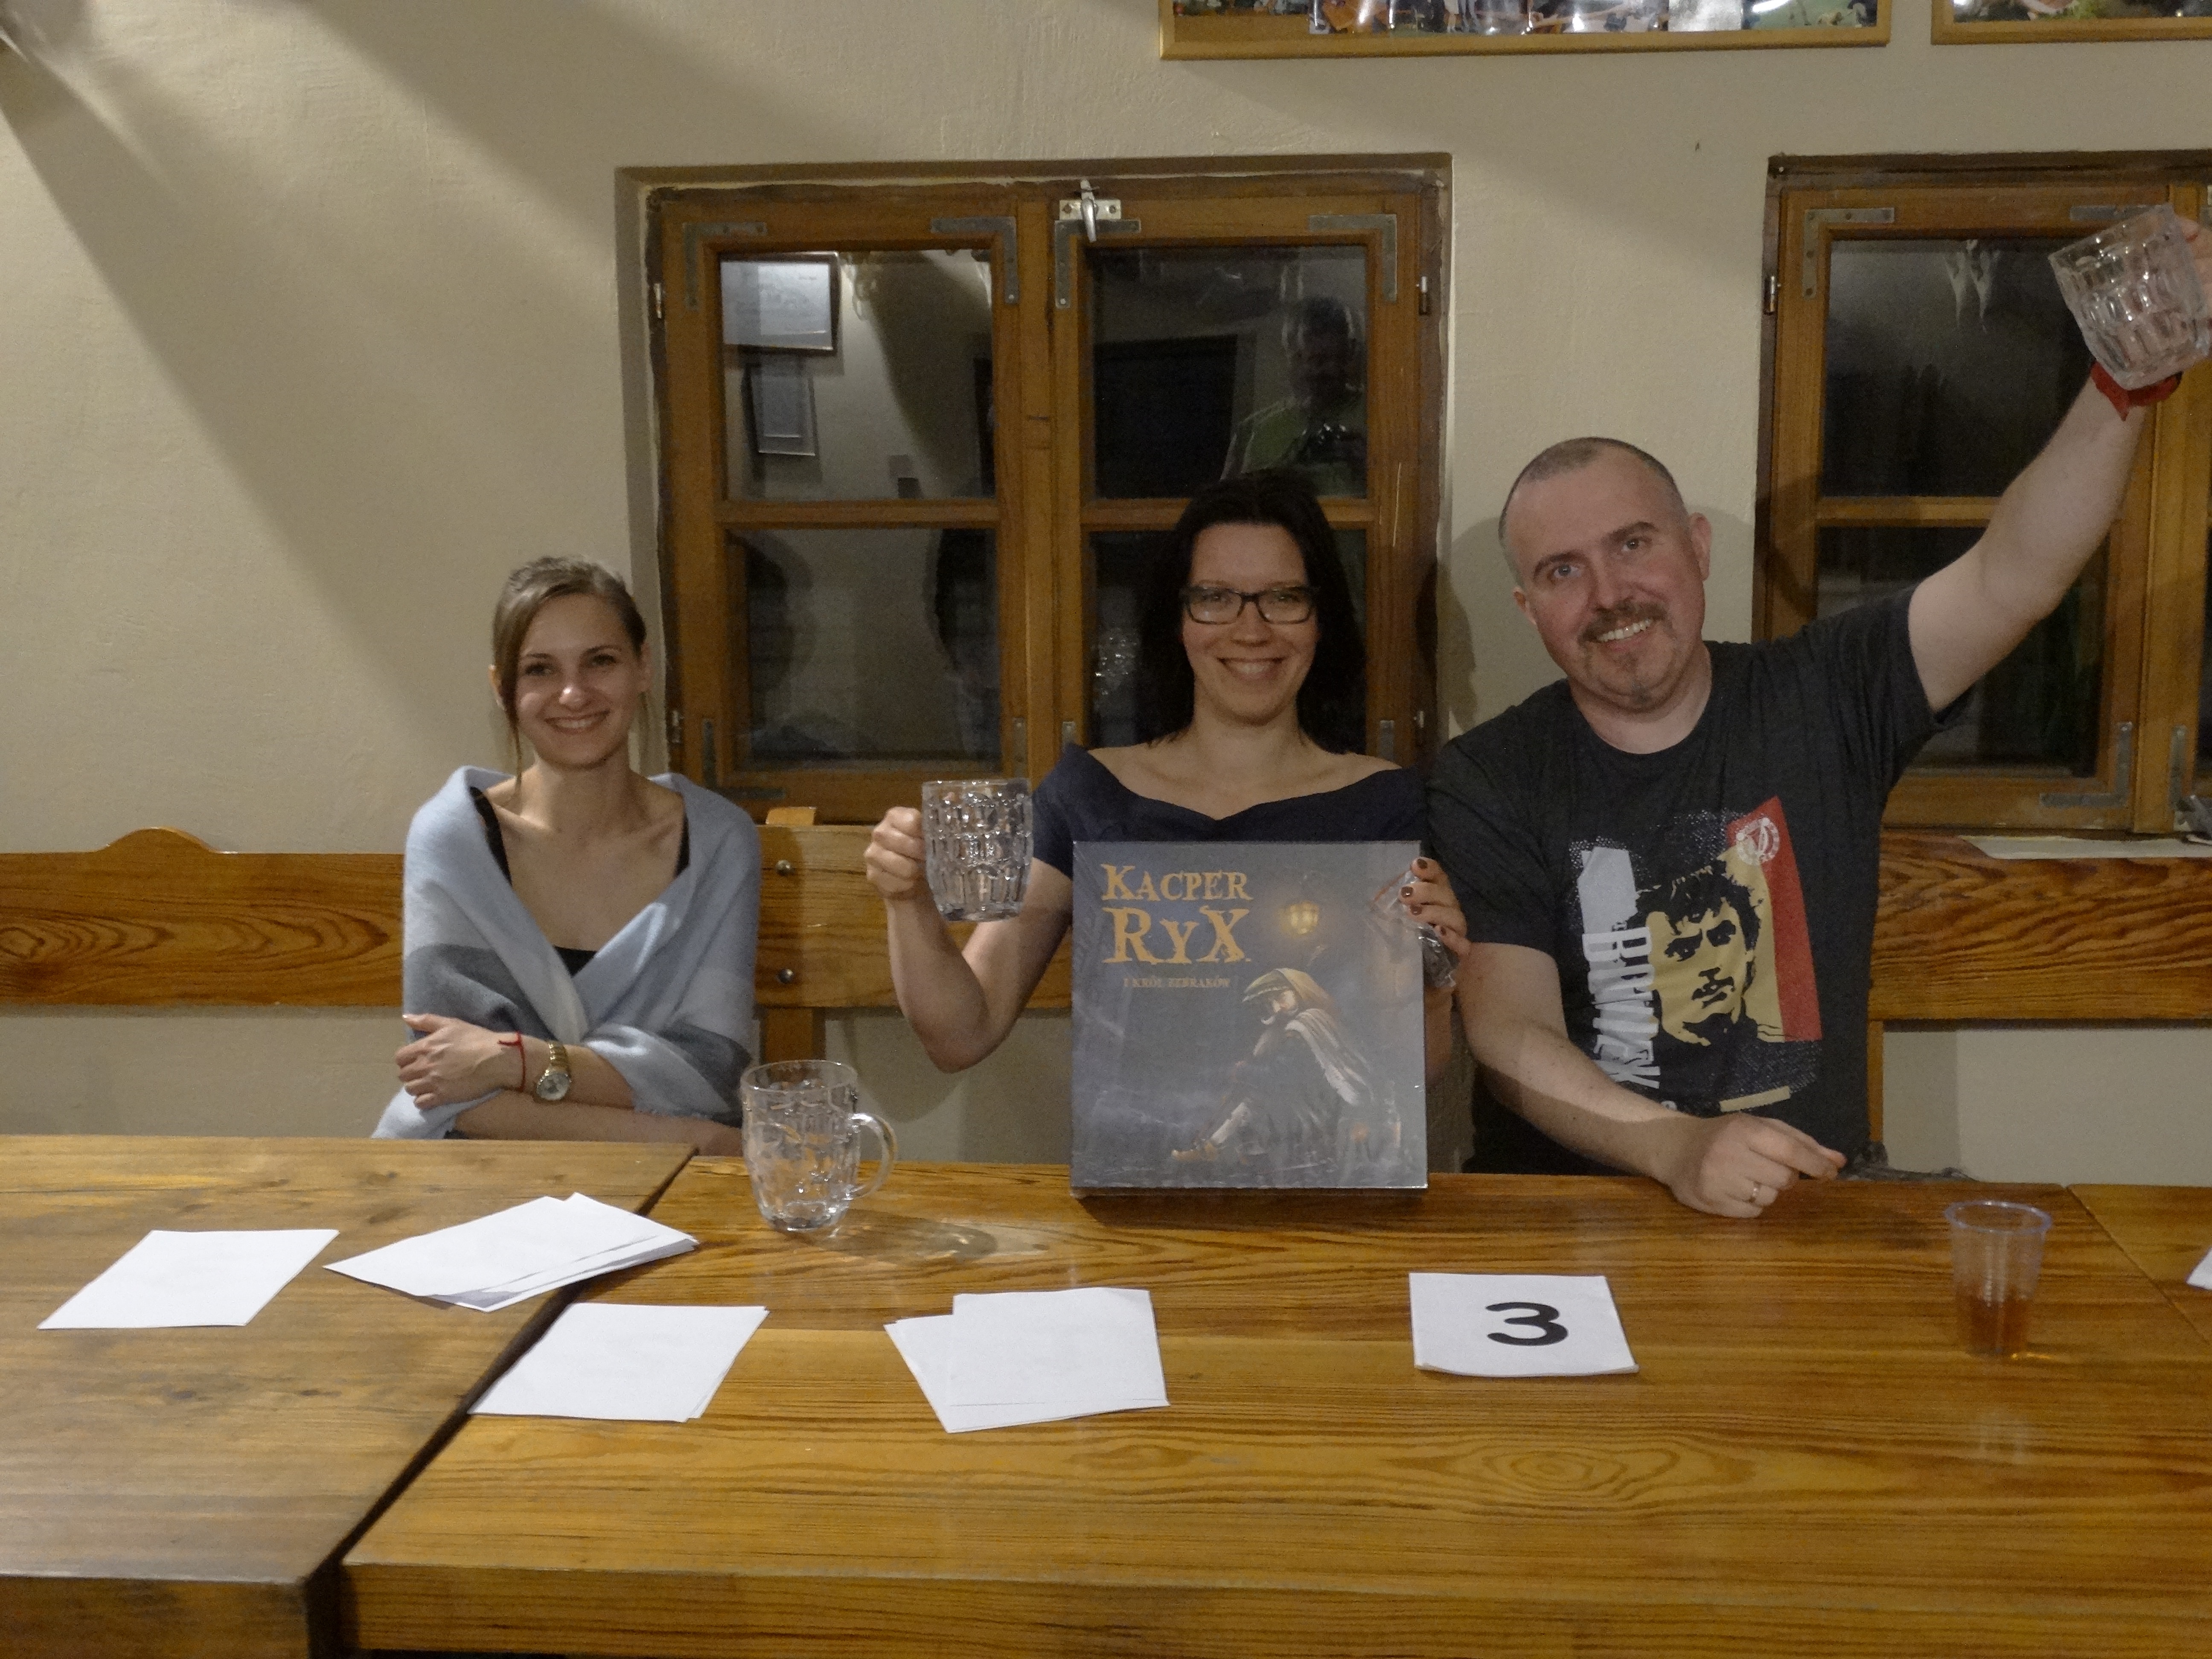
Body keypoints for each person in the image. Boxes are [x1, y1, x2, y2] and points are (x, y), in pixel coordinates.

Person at [1430, 223, 2212, 1218]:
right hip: (1573, 1219)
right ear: (1528, 608)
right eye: (1561, 571)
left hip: (1807, 1206)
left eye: (1634, 543)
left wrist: (2121, 385)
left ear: (1697, 547)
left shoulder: (1827, 690)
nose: (1610, 593)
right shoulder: (1488, 774)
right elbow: (1509, 1033)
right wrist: (1676, 1148)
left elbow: (2016, 573)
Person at [865, 469, 1466, 1086]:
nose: (1251, 630)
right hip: (1131, 1145)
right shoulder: (1090, 794)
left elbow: (1408, 1080)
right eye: (1216, 598)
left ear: (1321, 618)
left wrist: (1432, 985)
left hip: (1307, 1144)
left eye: (1284, 598)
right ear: (1179, 619)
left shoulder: (1382, 805)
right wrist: (908, 902)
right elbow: (960, 1036)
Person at [373, 558, 758, 1151]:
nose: (573, 694)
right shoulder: (455, 839)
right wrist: (687, 1139)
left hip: (672, 1186)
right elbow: (447, 1089)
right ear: (503, 688)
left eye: (600, 661)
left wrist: (517, 1061)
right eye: (540, 670)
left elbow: (707, 1074)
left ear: (644, 667)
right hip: (486, 1177)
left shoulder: (718, 842)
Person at [1222, 298, 1368, 499]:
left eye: (1340, 358)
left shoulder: (1378, 418)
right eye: (1317, 360)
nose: (1332, 370)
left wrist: (1371, 466)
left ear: (1351, 351)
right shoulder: (1256, 431)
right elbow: (1227, 507)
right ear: (1292, 357)